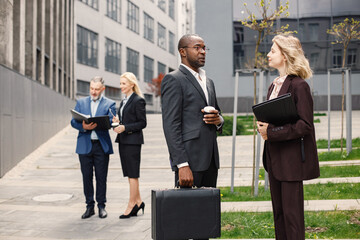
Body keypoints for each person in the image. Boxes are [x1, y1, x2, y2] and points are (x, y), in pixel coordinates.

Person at [257, 34, 320, 239]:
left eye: (273, 51)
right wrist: (264, 126)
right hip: (274, 159)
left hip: (291, 161)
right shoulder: (273, 85)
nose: (268, 54)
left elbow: (305, 125)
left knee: (292, 218)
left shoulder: (299, 86)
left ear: (285, 55)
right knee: (279, 215)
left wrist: (271, 132)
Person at [161, 33, 223, 190]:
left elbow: (218, 113)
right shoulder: (174, 79)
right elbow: (171, 125)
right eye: (197, 48)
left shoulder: (209, 82)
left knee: (209, 211)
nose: (203, 52)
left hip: (210, 160)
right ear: (183, 51)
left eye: (204, 48)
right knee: (188, 212)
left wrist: (218, 121)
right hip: (190, 162)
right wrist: (181, 164)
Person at [71, 76, 116, 219]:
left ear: (102, 89)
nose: (93, 91)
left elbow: (111, 122)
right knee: (87, 178)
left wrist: (113, 122)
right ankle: (89, 207)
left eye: (96, 89)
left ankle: (101, 206)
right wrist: (82, 126)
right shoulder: (81, 102)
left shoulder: (110, 103)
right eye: (91, 88)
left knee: (101, 178)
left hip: (101, 146)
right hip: (85, 145)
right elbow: (73, 122)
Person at [112, 72, 147, 219]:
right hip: (124, 141)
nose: (121, 86)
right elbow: (128, 120)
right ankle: (139, 201)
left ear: (132, 84)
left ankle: (131, 205)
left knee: (133, 175)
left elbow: (142, 123)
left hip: (133, 142)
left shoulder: (138, 100)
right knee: (129, 174)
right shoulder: (124, 101)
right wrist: (119, 122)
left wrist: (125, 127)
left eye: (123, 84)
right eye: (120, 83)